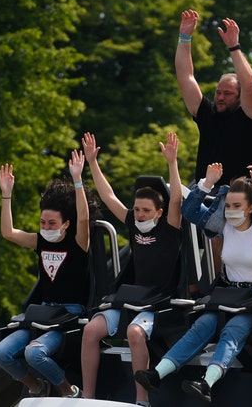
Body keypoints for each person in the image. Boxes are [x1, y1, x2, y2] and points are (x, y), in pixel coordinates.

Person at [134, 158, 252, 403]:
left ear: (250, 208)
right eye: (228, 206)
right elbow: (190, 211)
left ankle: (207, 383)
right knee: (201, 326)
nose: (231, 211)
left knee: (233, 331)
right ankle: (156, 374)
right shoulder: (224, 227)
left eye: (237, 206)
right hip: (227, 295)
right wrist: (206, 184)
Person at [78, 132, 183, 404]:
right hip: (131, 298)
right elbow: (108, 195)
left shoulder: (169, 228)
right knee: (91, 330)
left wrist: (172, 163)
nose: (139, 215)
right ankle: (87, 397)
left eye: (146, 211)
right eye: (137, 210)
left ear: (158, 213)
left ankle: (141, 400)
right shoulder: (133, 224)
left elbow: (175, 201)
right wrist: (92, 162)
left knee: (134, 334)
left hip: (158, 301)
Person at [0, 150, 89, 399]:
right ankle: (36, 387)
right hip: (42, 313)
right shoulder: (39, 241)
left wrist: (77, 181)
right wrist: (6, 195)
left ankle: (70, 391)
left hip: (67, 315)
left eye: (52, 224)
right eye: (43, 223)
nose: (45, 228)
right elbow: (8, 233)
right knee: (1, 353)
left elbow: (84, 218)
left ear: (66, 224)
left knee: (34, 353)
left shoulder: (78, 243)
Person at [176, 9, 252, 186]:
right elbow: (185, 77)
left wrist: (234, 47)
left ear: (239, 97)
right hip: (204, 195)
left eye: (228, 93)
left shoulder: (250, 116)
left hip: (239, 196)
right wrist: (184, 37)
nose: (221, 97)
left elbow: (249, 85)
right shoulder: (208, 114)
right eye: (218, 92)